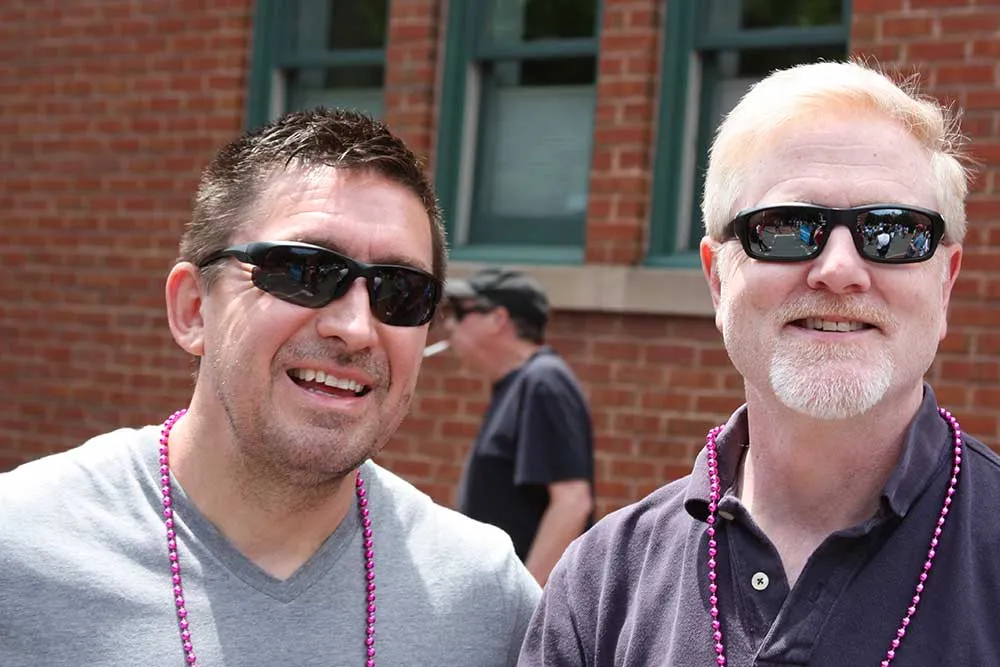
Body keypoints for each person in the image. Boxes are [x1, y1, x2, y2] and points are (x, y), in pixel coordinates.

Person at [0, 108, 541, 666]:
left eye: (400, 291)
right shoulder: (19, 553)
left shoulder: (487, 599)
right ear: (193, 309)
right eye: (305, 271)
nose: (356, 328)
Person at [519, 60, 1000, 665]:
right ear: (717, 279)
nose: (839, 271)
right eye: (788, 228)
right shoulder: (600, 585)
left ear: (946, 283)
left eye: (894, 232)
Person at [444, 267, 595, 587]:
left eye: (460, 313)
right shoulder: (517, 385)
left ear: (498, 319)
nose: (449, 325)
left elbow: (571, 502)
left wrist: (526, 599)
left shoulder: (543, 382)